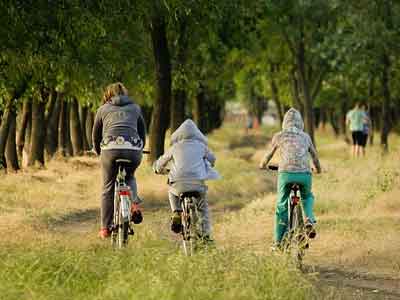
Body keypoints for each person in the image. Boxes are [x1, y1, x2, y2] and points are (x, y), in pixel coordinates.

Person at [259, 108, 321, 249]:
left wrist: (263, 165)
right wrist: (318, 169)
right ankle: (308, 220)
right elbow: (315, 157)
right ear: (301, 123)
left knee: (281, 205)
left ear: (284, 122)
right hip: (305, 174)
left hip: (286, 174)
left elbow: (268, 154)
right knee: (307, 197)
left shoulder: (279, 136)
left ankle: (278, 243)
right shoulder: (306, 137)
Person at [92, 82, 146, 239]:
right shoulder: (135, 108)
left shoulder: (102, 109)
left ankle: (105, 228)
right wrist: (139, 148)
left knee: (108, 186)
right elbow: (142, 132)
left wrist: (97, 151)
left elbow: (95, 135)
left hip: (110, 149)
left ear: (108, 94)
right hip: (133, 149)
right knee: (130, 176)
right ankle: (134, 204)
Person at [153, 119, 220, 242]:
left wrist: (157, 168)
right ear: (197, 134)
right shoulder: (201, 146)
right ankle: (205, 236)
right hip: (197, 183)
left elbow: (160, 163)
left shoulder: (174, 147)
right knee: (202, 207)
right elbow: (213, 160)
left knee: (172, 192)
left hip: (178, 184)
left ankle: (176, 212)